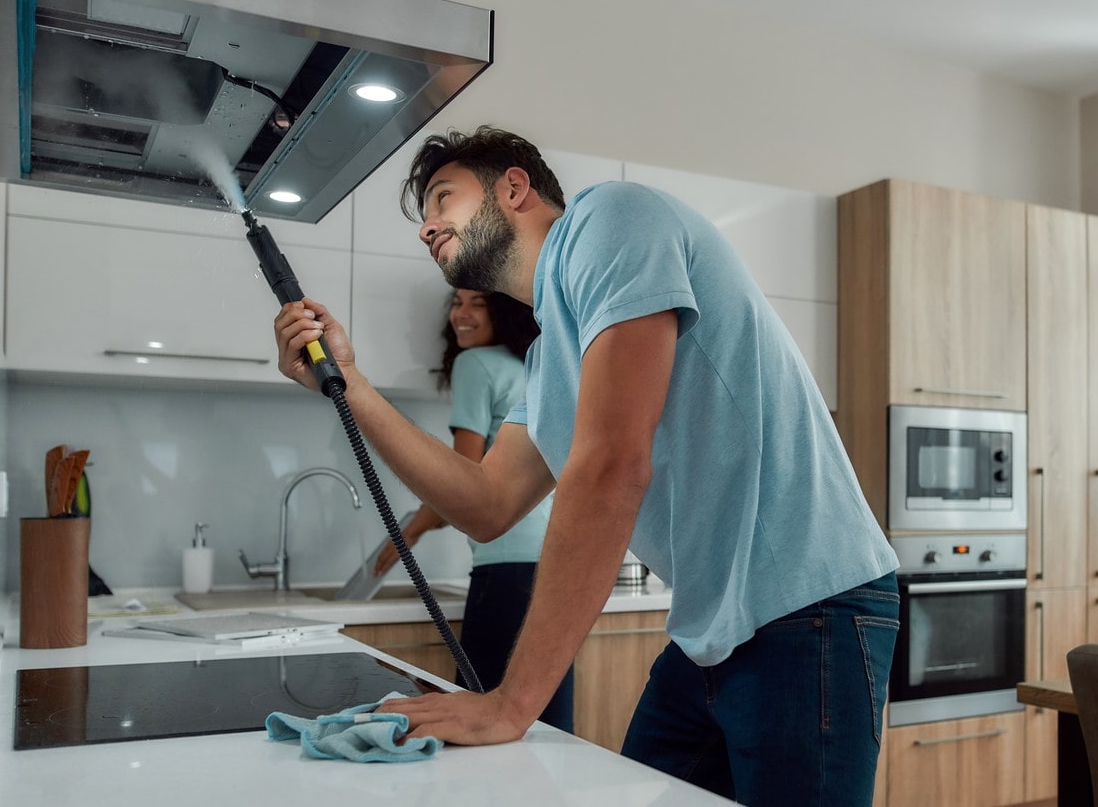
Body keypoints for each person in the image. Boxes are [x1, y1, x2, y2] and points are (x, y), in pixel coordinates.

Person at [273, 126, 900, 806]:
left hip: (811, 606)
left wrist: (512, 702)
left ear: (514, 187)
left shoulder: (612, 220)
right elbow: (486, 504)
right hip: (714, 629)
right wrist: (352, 386)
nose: (427, 228)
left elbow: (611, 466)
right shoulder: (552, 358)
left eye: (441, 199)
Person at [371, 287, 573, 732]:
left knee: (476, 723)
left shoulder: (475, 366)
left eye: (477, 304)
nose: (461, 314)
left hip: (505, 572)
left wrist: (411, 530)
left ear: (502, 312)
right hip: (553, 564)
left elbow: (465, 483)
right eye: (456, 303)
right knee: (547, 727)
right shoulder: (536, 367)